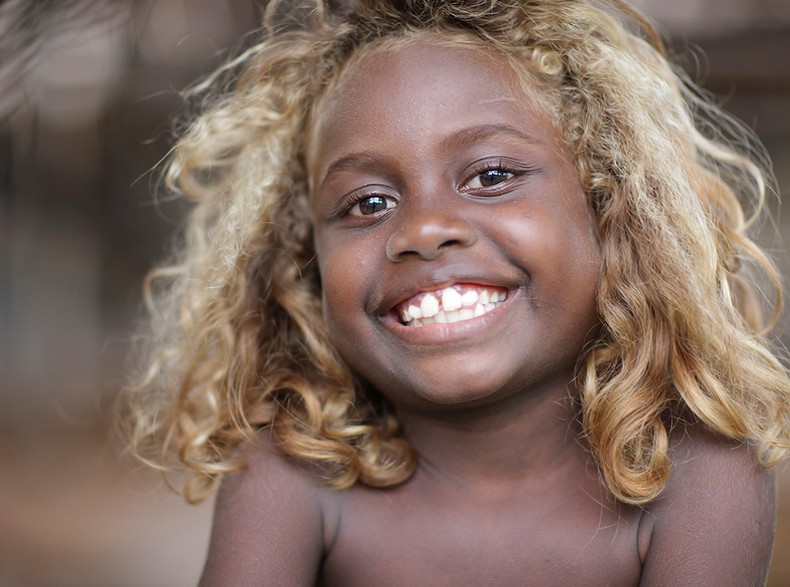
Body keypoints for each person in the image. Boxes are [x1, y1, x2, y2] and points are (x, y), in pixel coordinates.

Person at [121, 1, 790, 584]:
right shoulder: (292, 468)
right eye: (368, 201)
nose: (424, 229)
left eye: (491, 174)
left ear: (610, 211)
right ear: (303, 264)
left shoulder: (706, 471)